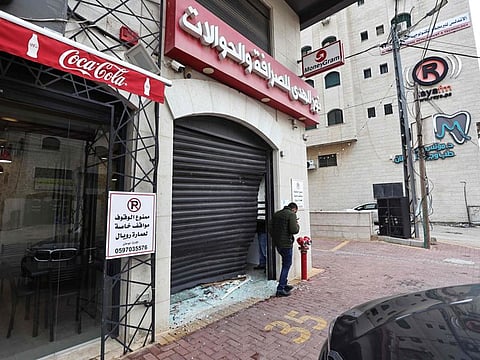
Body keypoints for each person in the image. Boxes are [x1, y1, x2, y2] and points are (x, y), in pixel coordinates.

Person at [269, 202, 299, 297]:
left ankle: (284, 284)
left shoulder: (277, 214)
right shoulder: (291, 214)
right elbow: (294, 230)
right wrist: (297, 224)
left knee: (284, 264)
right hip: (286, 244)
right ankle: (280, 288)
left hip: (278, 244)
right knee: (286, 265)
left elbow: (270, 227)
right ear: (294, 209)